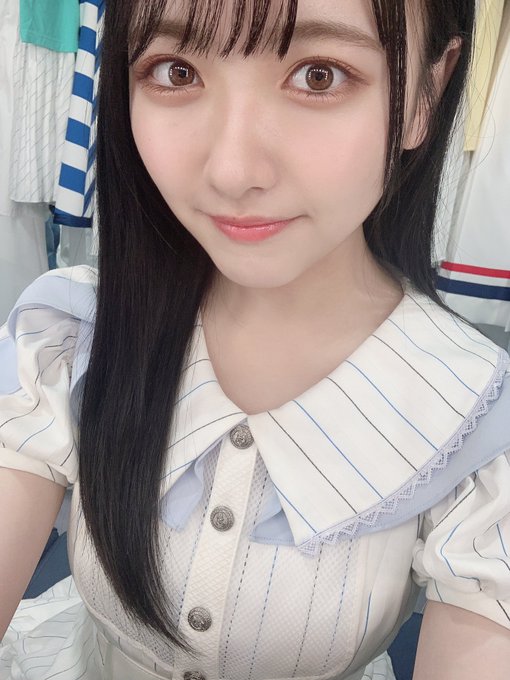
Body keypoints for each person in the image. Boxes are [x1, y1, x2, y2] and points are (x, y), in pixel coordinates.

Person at [1, 0, 510, 678]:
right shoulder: (69, 333)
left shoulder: (477, 421)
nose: (232, 171)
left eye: (320, 75)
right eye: (176, 72)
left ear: (425, 94)